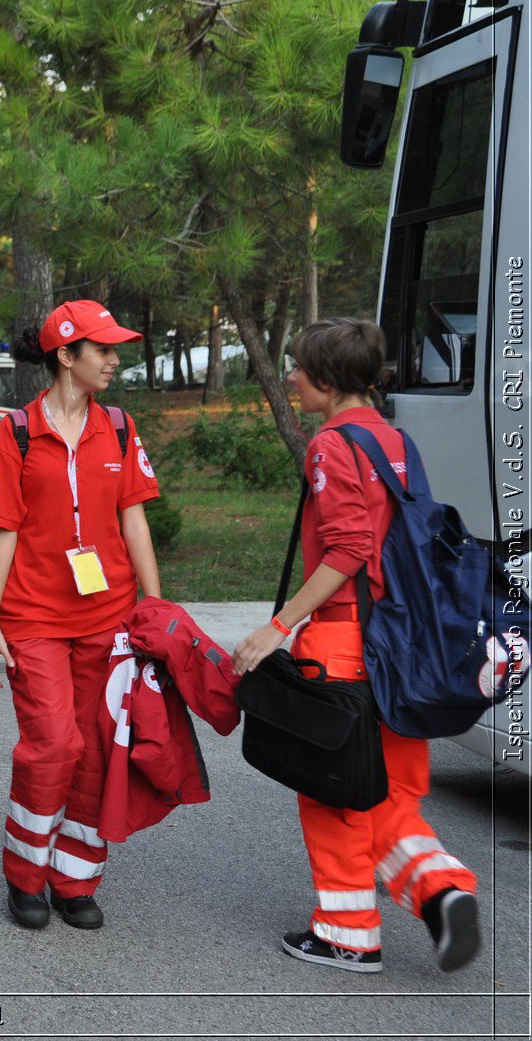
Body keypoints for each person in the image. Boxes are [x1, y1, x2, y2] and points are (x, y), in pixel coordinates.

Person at [233, 317, 480, 975]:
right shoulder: (395, 440)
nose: (289, 378)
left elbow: (348, 549)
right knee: (391, 794)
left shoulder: (331, 445)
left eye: (298, 368)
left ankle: (347, 932)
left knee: (337, 789)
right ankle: (443, 887)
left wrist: (278, 625)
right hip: (402, 646)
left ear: (328, 378)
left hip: (345, 641)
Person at [0, 299, 161, 933]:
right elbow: (3, 530)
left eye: (116, 349)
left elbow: (133, 518)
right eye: (103, 349)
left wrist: (153, 610)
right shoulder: (17, 432)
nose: (114, 360)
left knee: (98, 751)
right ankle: (26, 873)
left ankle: (75, 877)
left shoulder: (121, 426)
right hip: (34, 618)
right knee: (53, 743)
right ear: (66, 355)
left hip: (110, 614)